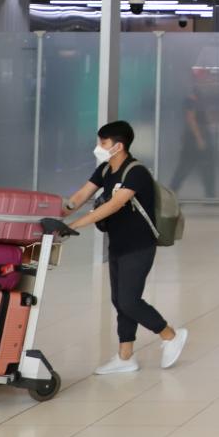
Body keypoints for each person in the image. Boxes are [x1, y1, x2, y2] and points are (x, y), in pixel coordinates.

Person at [64, 121, 188, 375]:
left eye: (103, 143)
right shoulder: (105, 170)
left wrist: (75, 225)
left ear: (118, 146)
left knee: (129, 301)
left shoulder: (135, 172)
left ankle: (170, 335)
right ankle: (125, 357)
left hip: (139, 246)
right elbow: (79, 197)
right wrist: (55, 213)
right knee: (119, 300)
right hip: (118, 245)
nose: (97, 148)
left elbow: (113, 205)